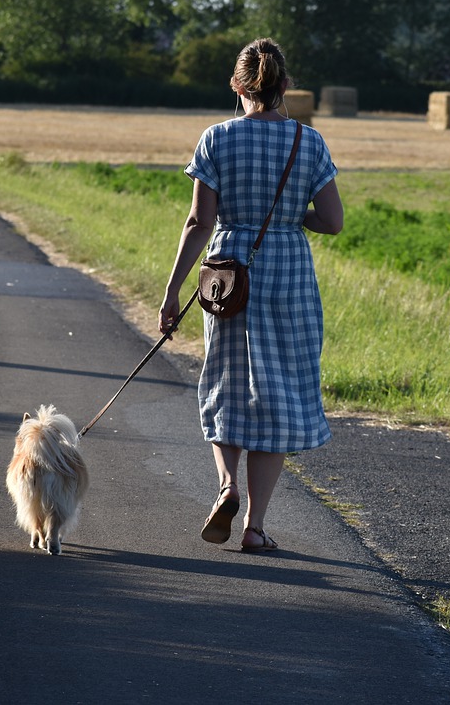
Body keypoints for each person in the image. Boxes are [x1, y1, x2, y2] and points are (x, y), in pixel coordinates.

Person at [159, 38, 343, 553]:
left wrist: (172, 292)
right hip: (287, 274)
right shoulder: (310, 142)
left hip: (228, 276)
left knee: (226, 381)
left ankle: (226, 485)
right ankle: (256, 528)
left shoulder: (215, 138)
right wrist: (289, 218)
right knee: (279, 392)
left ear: (237, 86)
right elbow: (332, 221)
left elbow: (200, 221)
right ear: (285, 87)